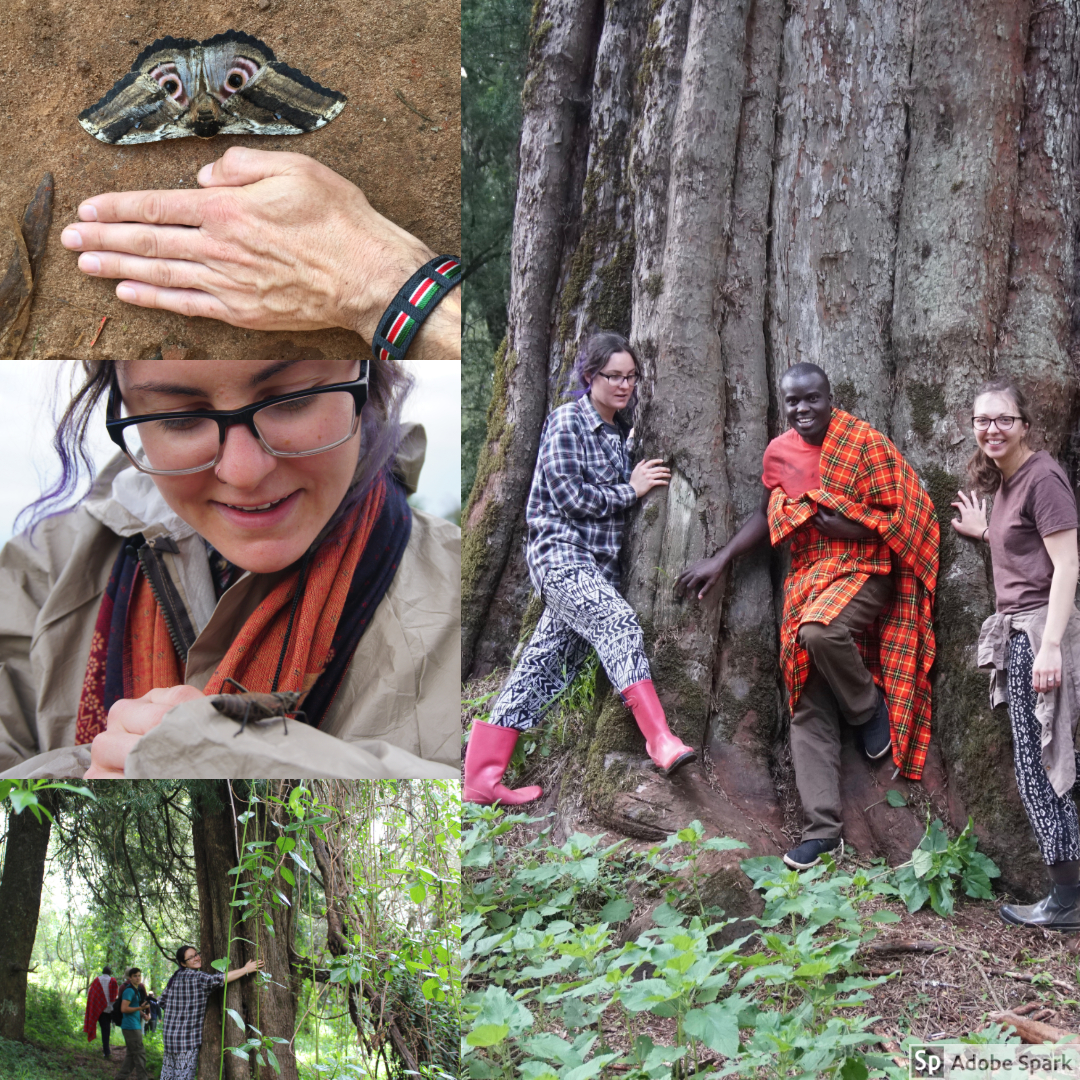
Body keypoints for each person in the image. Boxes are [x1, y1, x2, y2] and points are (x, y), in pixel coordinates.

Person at [0, 148, 460, 780]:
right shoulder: (35, 574)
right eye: (180, 420)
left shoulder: (465, 590)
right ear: (121, 407)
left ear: (366, 375)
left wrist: (390, 288)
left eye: (292, 400)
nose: (244, 473)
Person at [677, 363, 939, 869]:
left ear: (830, 398)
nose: (802, 410)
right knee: (804, 700)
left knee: (819, 630)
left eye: (811, 400)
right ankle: (824, 833)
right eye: (793, 402)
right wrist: (722, 559)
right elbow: (765, 513)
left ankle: (866, 709)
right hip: (808, 576)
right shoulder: (778, 452)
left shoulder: (863, 442)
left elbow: (905, 512)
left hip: (865, 570)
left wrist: (854, 528)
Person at [463, 331, 695, 804]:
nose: (624, 385)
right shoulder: (567, 421)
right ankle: (660, 740)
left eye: (631, 377)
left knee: (541, 670)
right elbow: (569, 497)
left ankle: (481, 781)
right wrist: (630, 490)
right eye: (613, 376)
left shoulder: (620, 435)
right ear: (589, 376)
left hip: (598, 571)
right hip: (562, 558)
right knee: (617, 622)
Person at [951, 380, 1080, 929]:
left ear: (1025, 424)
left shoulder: (1043, 478)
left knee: (1041, 766)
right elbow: (1027, 549)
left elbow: (1068, 565)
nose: (992, 430)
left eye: (1003, 419)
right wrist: (987, 534)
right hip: (1023, 632)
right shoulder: (1007, 484)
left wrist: (1049, 646)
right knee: (1043, 764)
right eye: (983, 420)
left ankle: (1067, 899)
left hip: (1041, 635)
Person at [159, 944, 262, 1080]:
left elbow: (161, 1002)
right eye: (191, 958)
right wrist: (245, 969)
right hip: (186, 1041)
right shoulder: (198, 978)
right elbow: (220, 979)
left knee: (168, 1076)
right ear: (183, 963)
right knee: (182, 1077)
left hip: (170, 1038)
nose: (196, 958)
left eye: (196, 954)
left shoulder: (174, 979)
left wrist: (178, 1011)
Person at [117, 967, 151, 1080]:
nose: (137, 978)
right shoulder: (129, 991)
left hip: (134, 1025)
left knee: (131, 1056)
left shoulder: (136, 990)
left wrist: (143, 1013)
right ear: (130, 978)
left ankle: (120, 1078)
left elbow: (134, 1007)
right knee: (140, 1055)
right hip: (131, 1027)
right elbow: (124, 1009)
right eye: (135, 976)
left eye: (139, 976)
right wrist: (139, 1008)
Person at [82, 964, 118, 1058]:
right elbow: (114, 997)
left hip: (98, 1009)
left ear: (102, 972)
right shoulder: (113, 981)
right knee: (107, 1029)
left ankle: (106, 1050)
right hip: (109, 1010)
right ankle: (106, 1051)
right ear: (110, 972)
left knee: (103, 1029)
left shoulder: (97, 980)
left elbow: (92, 995)